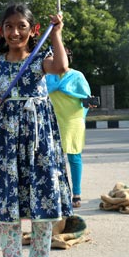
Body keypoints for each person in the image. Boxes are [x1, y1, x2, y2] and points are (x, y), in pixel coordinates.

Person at [0, 3, 73, 257]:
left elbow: (61, 66)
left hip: (39, 144)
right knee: (9, 211)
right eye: (9, 26)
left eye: (22, 26)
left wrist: (57, 33)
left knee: (43, 206)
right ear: (1, 30)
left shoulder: (41, 60)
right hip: (6, 144)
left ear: (33, 31)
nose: (15, 32)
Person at [46, 49, 91, 208]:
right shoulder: (47, 77)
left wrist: (82, 117)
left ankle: (76, 194)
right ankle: (55, 193)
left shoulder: (77, 76)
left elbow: (89, 100)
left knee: (74, 156)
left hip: (73, 120)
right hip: (52, 120)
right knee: (50, 158)